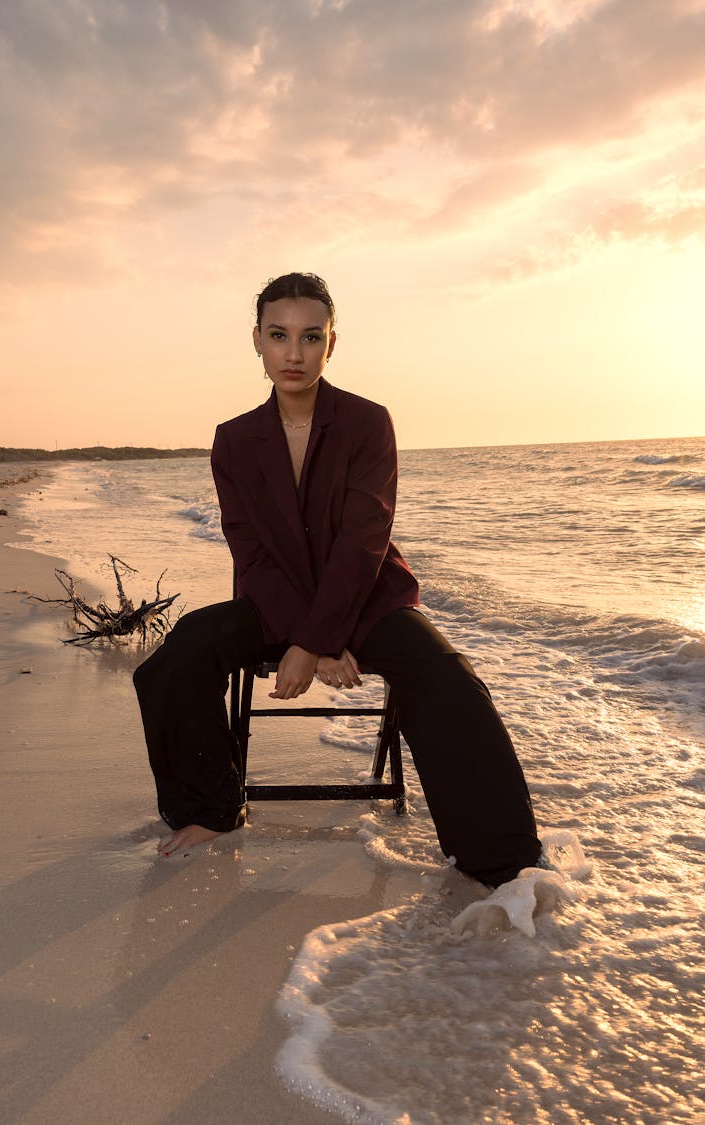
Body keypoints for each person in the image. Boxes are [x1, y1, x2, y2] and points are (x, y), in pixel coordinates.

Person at [133, 272, 542, 887]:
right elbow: (248, 547)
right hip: (273, 603)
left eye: (310, 337)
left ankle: (502, 864)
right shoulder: (234, 439)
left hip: (366, 598)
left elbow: (362, 543)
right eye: (278, 336)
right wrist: (305, 639)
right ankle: (211, 812)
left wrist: (315, 643)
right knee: (179, 654)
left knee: (447, 678)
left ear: (332, 343)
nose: (293, 354)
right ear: (257, 340)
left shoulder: (367, 422)